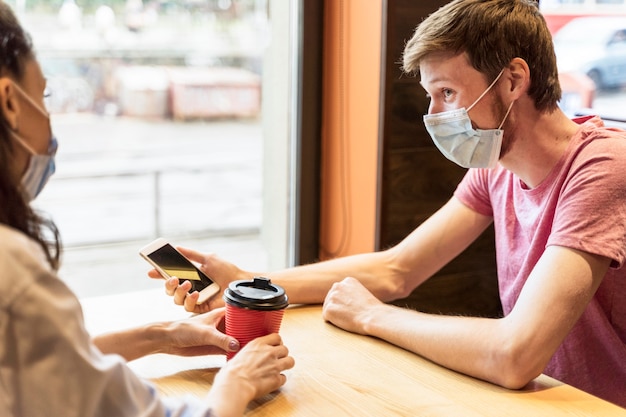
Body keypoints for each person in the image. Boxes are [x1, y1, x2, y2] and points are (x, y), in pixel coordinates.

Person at [156, 0, 626, 408]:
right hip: (546, 400)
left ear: (513, 80)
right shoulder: (495, 167)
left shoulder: (602, 166)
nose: (434, 116)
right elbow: (397, 269)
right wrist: (247, 282)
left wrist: (372, 316)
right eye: (430, 96)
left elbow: (514, 354)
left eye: (447, 93)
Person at [0, 4, 294, 417]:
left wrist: (163, 336)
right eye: (44, 97)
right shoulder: (11, 270)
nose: (50, 122)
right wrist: (237, 384)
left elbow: (36, 365)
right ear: (10, 103)